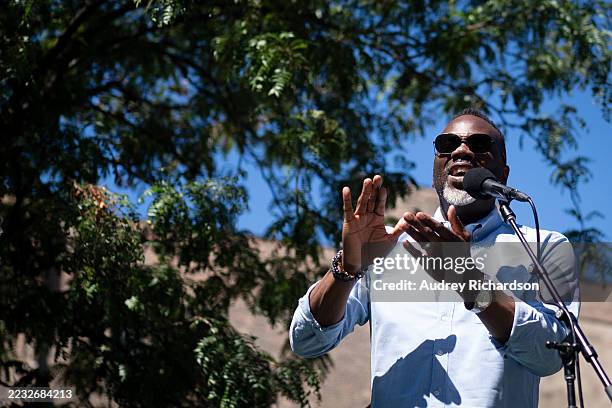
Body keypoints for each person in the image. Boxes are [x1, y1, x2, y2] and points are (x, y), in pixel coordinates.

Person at [289, 108, 579, 407]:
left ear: (503, 173)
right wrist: (348, 267)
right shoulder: (389, 244)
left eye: (479, 145)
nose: (461, 151)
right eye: (447, 144)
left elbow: (552, 355)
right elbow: (308, 339)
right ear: (436, 168)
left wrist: (469, 281)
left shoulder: (542, 247)